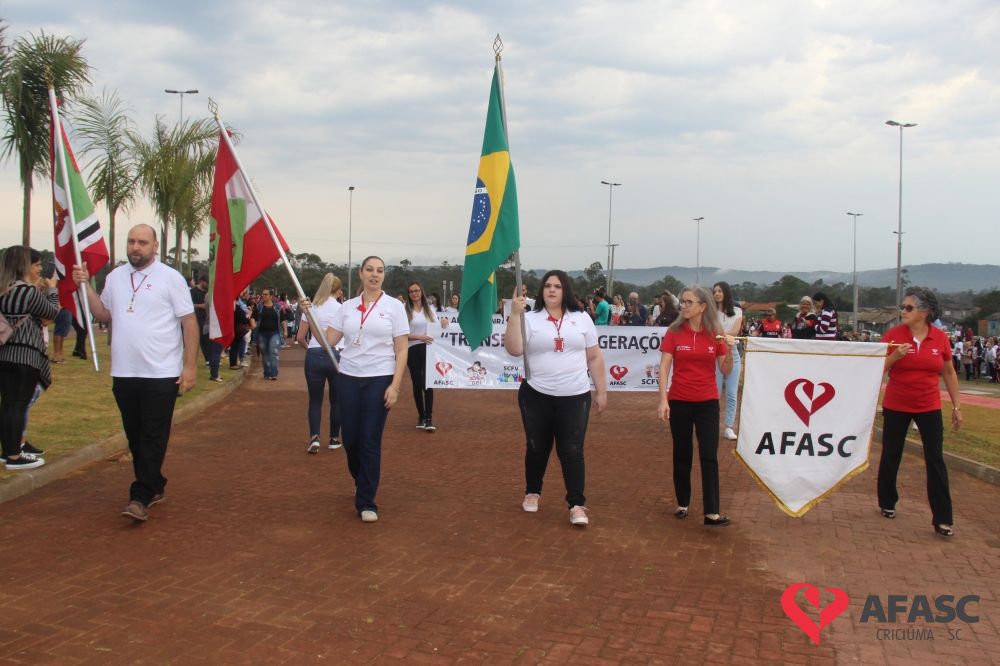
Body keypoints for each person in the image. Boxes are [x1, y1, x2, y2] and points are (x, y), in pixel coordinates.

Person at [72, 224, 198, 522]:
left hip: (162, 372)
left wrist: (190, 366)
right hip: (125, 372)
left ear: (155, 246)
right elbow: (103, 314)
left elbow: (189, 322)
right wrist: (86, 285)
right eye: (131, 242)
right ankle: (155, 484)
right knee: (136, 436)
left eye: (142, 242)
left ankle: (139, 495)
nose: (135, 247)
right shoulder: (115, 277)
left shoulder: (171, 278)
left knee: (153, 435)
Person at [504, 270, 607, 526]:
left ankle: (576, 504)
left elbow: (594, 357)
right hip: (536, 394)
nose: (552, 290)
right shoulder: (530, 318)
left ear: (566, 290)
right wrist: (514, 315)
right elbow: (514, 349)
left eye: (558, 286)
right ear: (541, 291)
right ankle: (533, 491)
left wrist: (601, 391)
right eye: (548, 286)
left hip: (575, 395)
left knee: (572, 450)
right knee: (537, 447)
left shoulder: (582, 319)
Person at [320, 256, 408, 523]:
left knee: (370, 438)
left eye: (380, 271)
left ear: (384, 275)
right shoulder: (346, 307)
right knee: (351, 439)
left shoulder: (394, 307)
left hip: (379, 377)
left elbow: (402, 348)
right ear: (360, 274)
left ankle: (366, 500)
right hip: (347, 377)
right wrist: (309, 315)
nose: (374, 274)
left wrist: (395, 385)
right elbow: (329, 341)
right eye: (369, 270)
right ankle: (361, 477)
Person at [877, 287, 962, 538]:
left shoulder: (939, 337)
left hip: (929, 406)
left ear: (925, 312)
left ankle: (943, 518)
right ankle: (887, 501)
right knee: (892, 454)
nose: (903, 311)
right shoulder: (893, 335)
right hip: (897, 403)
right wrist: (895, 356)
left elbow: (948, 372)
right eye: (902, 307)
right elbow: (878, 368)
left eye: (908, 308)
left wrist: (957, 407)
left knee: (935, 459)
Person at [656, 285, 734, 526]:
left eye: (689, 302)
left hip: (708, 403)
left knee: (709, 455)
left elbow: (725, 369)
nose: (684, 306)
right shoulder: (674, 332)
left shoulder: (715, 333)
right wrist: (663, 399)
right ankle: (683, 502)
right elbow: (664, 367)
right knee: (682, 453)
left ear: (703, 306)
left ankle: (712, 512)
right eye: (683, 301)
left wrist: (729, 348)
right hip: (679, 400)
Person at [0, 246, 59, 470]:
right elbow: (51, 312)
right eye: (35, 264)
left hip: (5, 354)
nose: (39, 268)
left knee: (7, 404)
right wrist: (52, 290)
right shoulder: (27, 292)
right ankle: (15, 455)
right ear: (24, 265)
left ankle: (8, 451)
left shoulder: (4, 289)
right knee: (18, 404)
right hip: (25, 355)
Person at [296, 273, 343, 453]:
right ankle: (334, 438)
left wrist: (310, 347)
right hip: (337, 355)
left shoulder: (311, 308)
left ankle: (314, 437)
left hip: (314, 355)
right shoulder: (342, 308)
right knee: (336, 400)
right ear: (338, 291)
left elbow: (300, 337)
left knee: (315, 400)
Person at [403, 282, 438, 431]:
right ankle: (421, 415)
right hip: (412, 349)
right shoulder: (405, 311)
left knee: (427, 382)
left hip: (427, 349)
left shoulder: (429, 310)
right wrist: (419, 337)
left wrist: (443, 322)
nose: (414, 294)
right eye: (411, 292)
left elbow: (437, 327)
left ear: (421, 292)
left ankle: (429, 418)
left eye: (416, 291)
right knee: (417, 383)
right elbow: (402, 334)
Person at [712, 281, 742, 441]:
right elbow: (711, 331)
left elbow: (735, 332)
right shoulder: (709, 312)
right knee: (715, 393)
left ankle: (729, 426)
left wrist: (719, 334)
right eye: (715, 291)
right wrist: (723, 335)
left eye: (719, 291)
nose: (717, 293)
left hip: (733, 353)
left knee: (731, 393)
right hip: (715, 354)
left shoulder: (737, 311)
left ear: (726, 293)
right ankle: (713, 424)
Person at [255, 288, 282, 380]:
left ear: (271, 296)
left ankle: (274, 372)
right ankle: (267, 372)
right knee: (265, 354)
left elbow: (282, 319)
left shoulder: (277, 307)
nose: (263, 296)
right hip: (262, 333)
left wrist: (285, 330)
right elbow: (253, 317)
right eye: (263, 294)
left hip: (274, 333)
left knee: (273, 352)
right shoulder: (259, 307)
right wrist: (253, 323)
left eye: (266, 294)